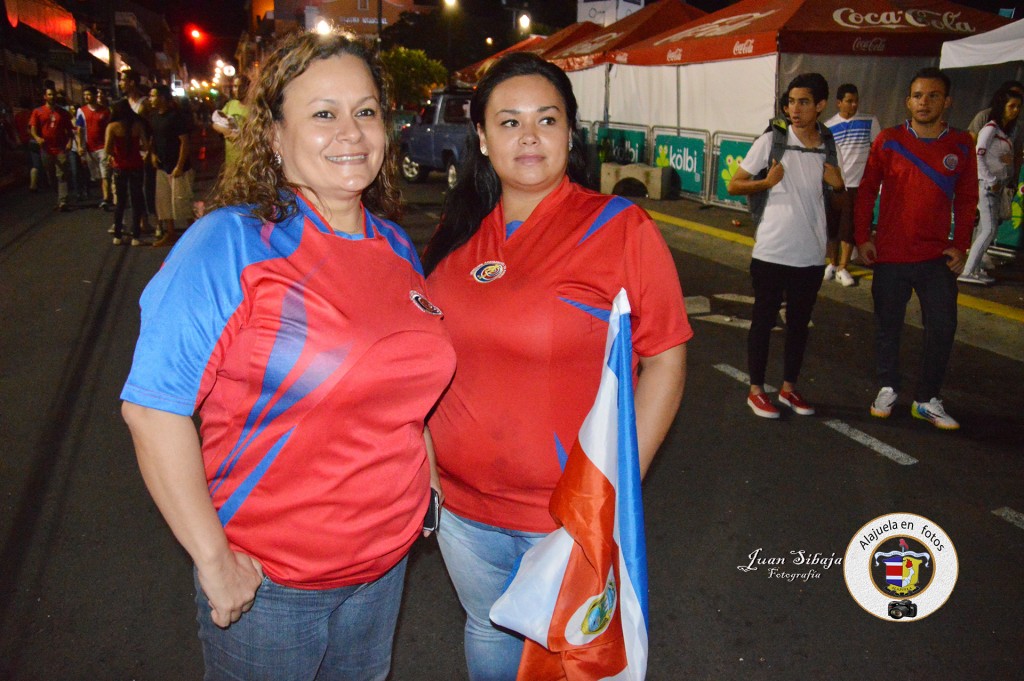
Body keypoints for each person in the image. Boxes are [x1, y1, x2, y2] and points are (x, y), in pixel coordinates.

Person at [120, 29, 455, 680]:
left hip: (384, 569)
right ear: (274, 136)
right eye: (323, 114)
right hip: (274, 586)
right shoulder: (231, 244)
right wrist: (215, 562)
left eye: (366, 111)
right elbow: (151, 409)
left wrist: (427, 481)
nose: (351, 132)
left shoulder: (395, 246)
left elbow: (409, 390)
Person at [423, 52, 691, 681]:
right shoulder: (458, 236)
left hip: (564, 514)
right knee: (488, 631)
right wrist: (425, 468)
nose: (529, 136)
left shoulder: (619, 228)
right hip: (461, 511)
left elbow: (666, 362)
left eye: (547, 119)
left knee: (570, 660)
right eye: (509, 121)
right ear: (483, 139)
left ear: (571, 134)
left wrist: (610, 495)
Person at [855, 67, 978, 431]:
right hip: (890, 256)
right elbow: (865, 190)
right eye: (918, 96)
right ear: (908, 101)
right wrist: (863, 237)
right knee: (887, 326)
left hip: (936, 259)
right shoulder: (889, 140)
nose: (924, 102)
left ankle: (927, 399)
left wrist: (961, 245)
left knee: (943, 326)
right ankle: (888, 386)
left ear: (947, 101)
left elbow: (968, 198)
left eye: (933, 96)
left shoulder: (961, 144)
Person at [727, 73, 846, 419]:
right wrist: (767, 181)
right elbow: (735, 184)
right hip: (771, 250)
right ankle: (756, 390)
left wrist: (839, 187)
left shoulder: (828, 144)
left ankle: (789, 389)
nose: (794, 109)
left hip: (810, 254)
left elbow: (837, 202)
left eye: (804, 102)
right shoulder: (772, 141)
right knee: (762, 321)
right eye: (791, 102)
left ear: (821, 106)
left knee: (799, 325)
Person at [960, 87, 1021, 286]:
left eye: (1019, 107)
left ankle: (975, 269)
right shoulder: (991, 128)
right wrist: (990, 180)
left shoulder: (1005, 131)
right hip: (987, 186)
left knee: (987, 230)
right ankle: (968, 270)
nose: (1016, 110)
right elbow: (978, 155)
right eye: (1011, 106)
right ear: (1001, 106)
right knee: (988, 229)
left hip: (996, 186)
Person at [824, 83, 880, 287]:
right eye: (849, 101)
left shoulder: (869, 121)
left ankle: (843, 267)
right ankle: (832, 263)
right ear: (839, 103)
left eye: (856, 100)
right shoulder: (828, 126)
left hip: (857, 185)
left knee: (849, 228)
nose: (853, 104)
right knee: (832, 228)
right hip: (835, 185)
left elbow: (877, 152)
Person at [147, 85, 193, 247]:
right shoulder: (153, 117)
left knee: (183, 201)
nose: (150, 99)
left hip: (179, 167)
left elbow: (184, 142)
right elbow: (153, 139)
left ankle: (193, 234)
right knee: (164, 202)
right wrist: (152, 154)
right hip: (162, 165)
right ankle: (170, 233)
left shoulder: (176, 117)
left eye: (153, 96)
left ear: (163, 98)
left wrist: (180, 165)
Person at [104, 98, 147, 245]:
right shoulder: (137, 125)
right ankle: (136, 235)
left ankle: (118, 235)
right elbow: (145, 145)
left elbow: (107, 149)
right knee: (137, 200)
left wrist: (115, 154)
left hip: (120, 166)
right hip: (136, 165)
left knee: (121, 201)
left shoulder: (112, 127)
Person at [29, 86, 74, 211]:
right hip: (46, 149)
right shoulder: (38, 112)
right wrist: (37, 138)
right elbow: (32, 128)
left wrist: (70, 142)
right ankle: (58, 196)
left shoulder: (62, 113)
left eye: (53, 94)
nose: (52, 97)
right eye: (49, 94)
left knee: (62, 174)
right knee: (51, 175)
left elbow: (70, 130)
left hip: (60, 148)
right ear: (45, 97)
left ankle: (63, 201)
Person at [75, 86, 112, 208]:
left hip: (103, 147)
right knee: (96, 175)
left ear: (95, 96)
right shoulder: (81, 111)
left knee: (104, 173)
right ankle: (107, 193)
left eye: (89, 94)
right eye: (85, 95)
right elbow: (79, 129)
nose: (86, 97)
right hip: (89, 148)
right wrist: (80, 146)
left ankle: (106, 198)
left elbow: (109, 129)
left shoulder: (105, 111)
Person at [212, 74, 250, 169]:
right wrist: (227, 132)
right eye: (235, 86)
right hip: (230, 161)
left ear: (247, 87)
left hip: (247, 161)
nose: (237, 90)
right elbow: (215, 124)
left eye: (241, 86)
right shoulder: (230, 105)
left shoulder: (254, 108)